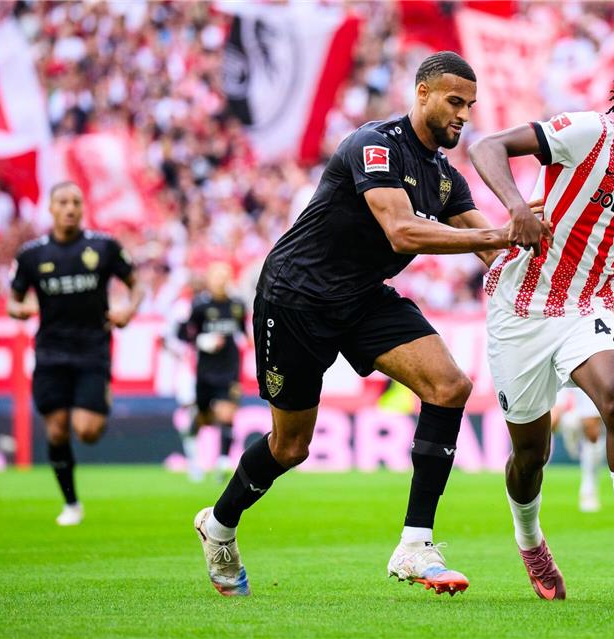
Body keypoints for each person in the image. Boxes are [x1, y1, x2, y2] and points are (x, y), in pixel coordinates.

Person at [193, 51, 550, 597]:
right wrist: (502, 235)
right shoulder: (374, 144)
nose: (463, 115)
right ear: (423, 92)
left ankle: (414, 545)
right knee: (290, 448)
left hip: (361, 300)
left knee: (450, 386)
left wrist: (550, 272)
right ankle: (218, 524)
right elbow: (404, 232)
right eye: (454, 102)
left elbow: (498, 251)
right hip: (294, 299)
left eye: (470, 106)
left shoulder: (444, 177)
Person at [469, 52, 614, 601]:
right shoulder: (587, 132)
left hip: (587, 307)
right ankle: (530, 541)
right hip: (521, 311)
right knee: (531, 454)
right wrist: (516, 209)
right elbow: (487, 147)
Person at [7, 181, 144, 526]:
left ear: (82, 208)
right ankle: (71, 503)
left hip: (92, 348)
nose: (70, 208)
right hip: (51, 351)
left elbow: (136, 284)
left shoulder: (104, 246)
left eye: (76, 202)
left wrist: (128, 309)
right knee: (56, 432)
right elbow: (13, 298)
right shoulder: (31, 255)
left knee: (87, 431)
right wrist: (18, 309)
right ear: (50, 209)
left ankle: (102, 395)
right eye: (63, 202)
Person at [178, 263, 248, 482]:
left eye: (224, 275)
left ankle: (223, 462)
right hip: (206, 372)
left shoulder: (237, 305)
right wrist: (201, 340)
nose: (220, 280)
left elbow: (243, 333)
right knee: (203, 417)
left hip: (229, 370)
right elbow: (184, 333)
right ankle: (193, 459)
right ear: (208, 279)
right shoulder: (199, 306)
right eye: (216, 276)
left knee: (227, 414)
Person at [553, 388, 605, 512]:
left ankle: (589, 489)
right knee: (557, 422)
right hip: (562, 378)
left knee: (592, 431)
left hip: (586, 383)